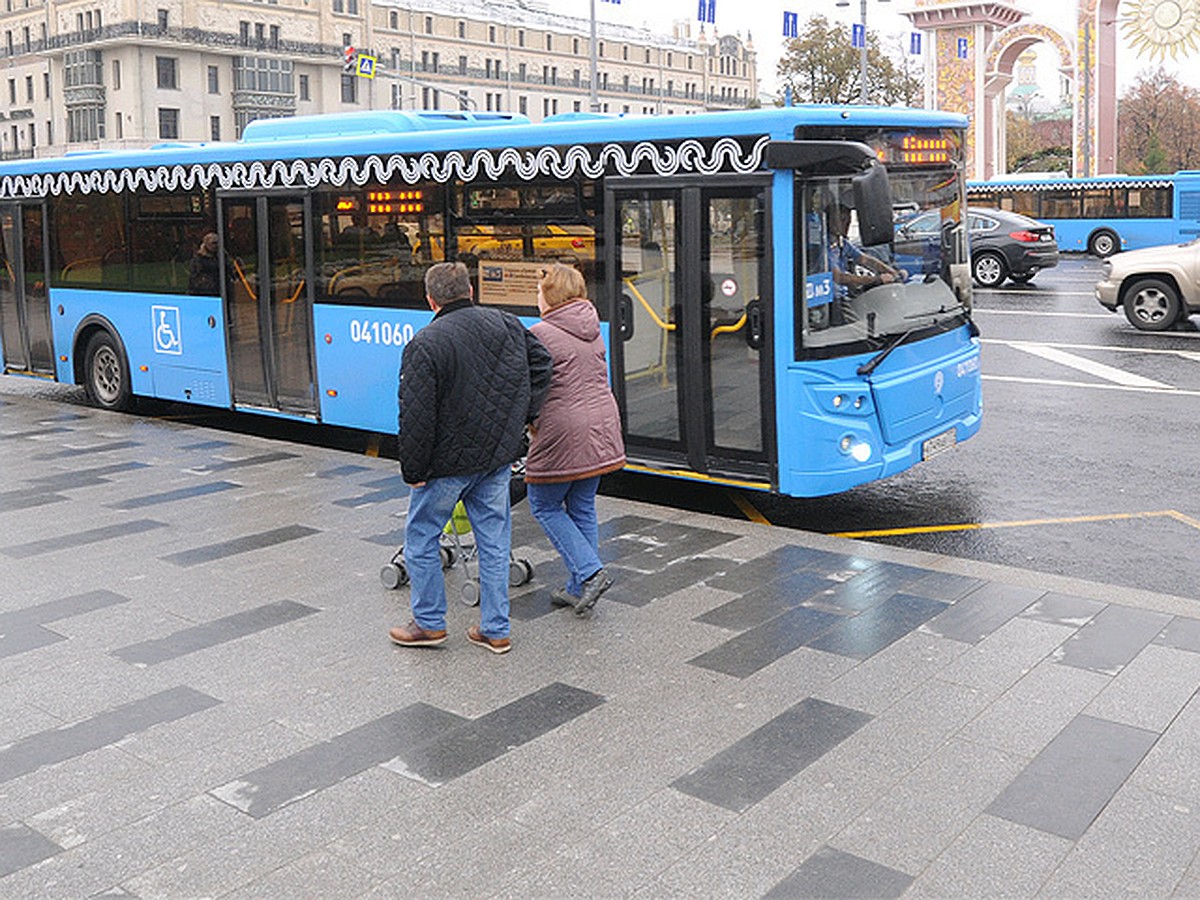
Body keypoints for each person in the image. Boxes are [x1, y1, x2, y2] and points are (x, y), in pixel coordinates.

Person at [389, 261, 552, 654]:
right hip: (496, 457)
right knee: (494, 542)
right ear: (471, 291)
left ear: (431, 300)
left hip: (447, 464)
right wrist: (525, 414)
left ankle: (429, 624)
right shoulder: (507, 323)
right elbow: (543, 364)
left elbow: (416, 415)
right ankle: (496, 629)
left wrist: (414, 469)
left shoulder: (425, 344)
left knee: (421, 538)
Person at [525, 263, 625, 616]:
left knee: (543, 503)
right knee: (581, 505)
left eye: (539, 292)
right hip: (601, 424)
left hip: (562, 429)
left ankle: (591, 572)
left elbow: (530, 387)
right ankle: (575, 586)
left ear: (551, 295)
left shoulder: (540, 332)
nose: (536, 298)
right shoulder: (592, 326)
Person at [826, 202, 905, 297]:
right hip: (832, 298)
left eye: (849, 220)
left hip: (844, 293)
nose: (847, 224)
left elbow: (865, 259)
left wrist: (892, 272)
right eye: (842, 220)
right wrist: (876, 279)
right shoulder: (824, 246)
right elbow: (839, 277)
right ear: (831, 221)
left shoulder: (842, 242)